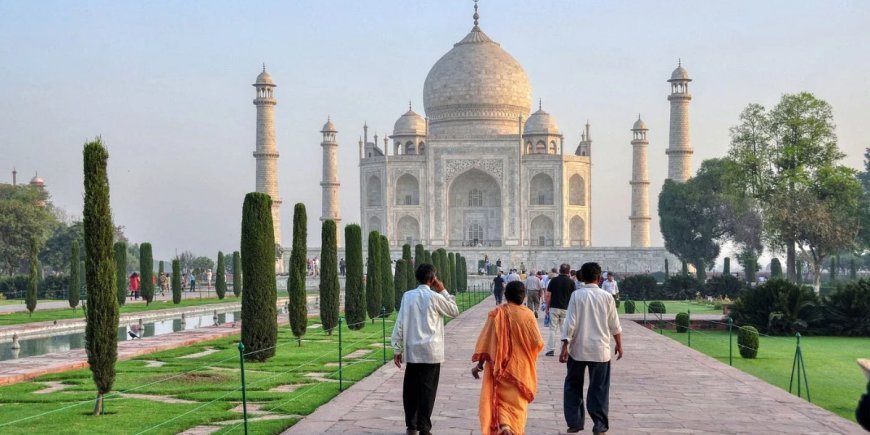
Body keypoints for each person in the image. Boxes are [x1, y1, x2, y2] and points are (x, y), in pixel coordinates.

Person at [392, 263, 460, 435]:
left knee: (411, 390)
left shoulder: (408, 296)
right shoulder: (435, 297)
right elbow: (454, 310)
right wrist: (443, 290)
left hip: (413, 351)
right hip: (431, 352)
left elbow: (399, 323)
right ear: (432, 280)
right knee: (427, 391)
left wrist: (397, 348)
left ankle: (412, 425)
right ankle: (424, 427)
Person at [471, 281, 544, 435]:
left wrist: (479, 365)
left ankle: (504, 426)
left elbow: (486, 342)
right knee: (517, 405)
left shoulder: (496, 314)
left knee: (501, 401)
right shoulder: (528, 314)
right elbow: (537, 342)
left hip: (499, 366)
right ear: (524, 296)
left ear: (505, 295)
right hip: (521, 368)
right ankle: (512, 428)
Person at [560, 262, 623, 434]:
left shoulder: (577, 295)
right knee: (599, 389)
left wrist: (564, 346)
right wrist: (619, 344)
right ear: (598, 277)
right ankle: (600, 425)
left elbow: (570, 323)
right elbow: (614, 324)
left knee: (573, 385)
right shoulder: (607, 297)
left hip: (578, 348)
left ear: (582, 277)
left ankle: (575, 422)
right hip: (600, 350)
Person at [544, 264, 574, 357]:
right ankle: (564, 349)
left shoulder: (554, 280)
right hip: (566, 308)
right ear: (568, 271)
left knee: (552, 329)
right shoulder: (571, 282)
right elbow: (573, 297)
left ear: (559, 271)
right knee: (564, 330)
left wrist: (547, 306)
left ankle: (550, 350)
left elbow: (548, 295)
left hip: (554, 307)